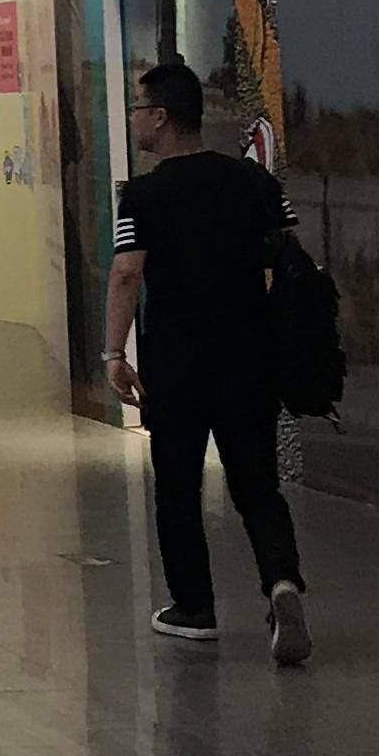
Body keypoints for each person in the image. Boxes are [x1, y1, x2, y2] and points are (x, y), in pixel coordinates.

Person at [107, 59, 312, 664]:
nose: (134, 120)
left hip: (177, 364)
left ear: (160, 117)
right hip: (250, 357)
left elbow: (127, 272)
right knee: (257, 486)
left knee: (177, 485)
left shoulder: (142, 194)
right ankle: (282, 582)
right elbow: (288, 255)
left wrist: (114, 352)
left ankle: (194, 608)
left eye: (138, 110)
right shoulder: (254, 182)